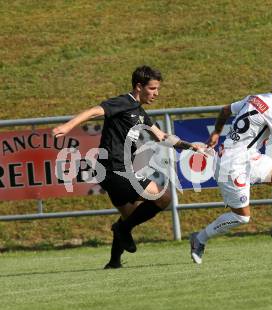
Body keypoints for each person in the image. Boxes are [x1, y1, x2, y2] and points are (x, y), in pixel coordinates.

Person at [53, 65, 204, 269]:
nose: (156, 93)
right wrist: (67, 126)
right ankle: (122, 229)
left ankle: (114, 261)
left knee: (129, 214)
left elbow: (161, 137)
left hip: (120, 170)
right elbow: (94, 111)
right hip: (112, 169)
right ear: (138, 86)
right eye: (152, 88)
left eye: (157, 89)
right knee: (164, 197)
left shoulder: (140, 112)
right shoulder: (123, 102)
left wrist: (189, 146)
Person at [190, 68, 272, 264]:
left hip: (249, 157)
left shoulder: (254, 98)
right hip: (231, 164)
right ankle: (199, 238)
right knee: (242, 218)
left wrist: (217, 132)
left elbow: (225, 110)